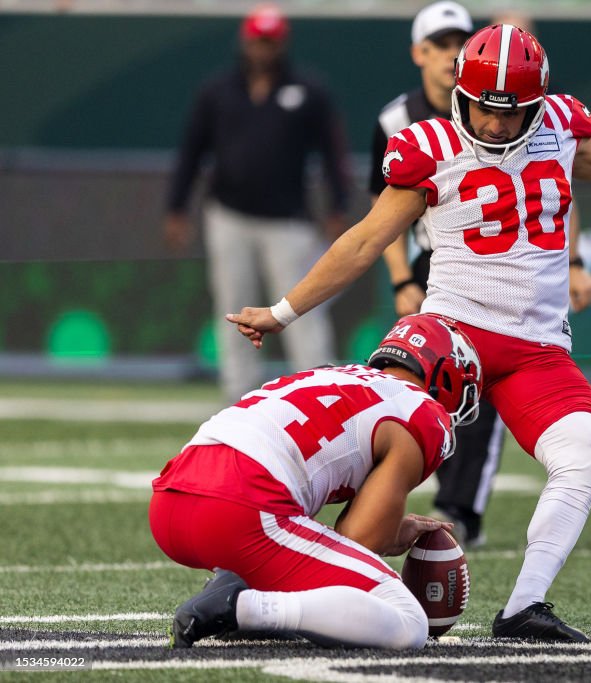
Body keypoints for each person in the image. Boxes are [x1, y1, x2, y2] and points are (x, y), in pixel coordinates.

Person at [227, 24, 591, 641]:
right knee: (370, 459)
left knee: (582, 456)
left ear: (538, 102)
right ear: (462, 93)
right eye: (486, 109)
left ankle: (525, 606)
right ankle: (260, 579)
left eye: (514, 112)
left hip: (538, 350)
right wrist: (282, 312)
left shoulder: (559, 128)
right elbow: (365, 240)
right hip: (448, 334)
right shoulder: (430, 147)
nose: (498, 125)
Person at [149, 313, 482, 650]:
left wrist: (389, 527)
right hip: (240, 508)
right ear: (444, 373)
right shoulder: (422, 413)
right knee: (409, 623)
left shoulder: (330, 372)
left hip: (170, 503)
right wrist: (385, 534)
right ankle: (243, 607)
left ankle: (250, 595)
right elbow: (360, 539)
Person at [164, 3, 351, 403]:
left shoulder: (308, 91)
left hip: (288, 220)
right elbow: (192, 151)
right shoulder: (218, 90)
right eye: (257, 41)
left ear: (281, 43)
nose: (263, 49)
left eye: (270, 41)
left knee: (302, 304)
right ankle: (238, 396)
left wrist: (338, 205)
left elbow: (332, 152)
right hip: (229, 215)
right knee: (233, 307)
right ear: (245, 41)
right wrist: (177, 207)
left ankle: (319, 392)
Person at [369, 1, 499, 549]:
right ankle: (395, 489)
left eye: (459, 43)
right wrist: (402, 280)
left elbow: (555, 172)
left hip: (496, 260)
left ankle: (461, 506)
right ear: (419, 53)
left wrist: (574, 260)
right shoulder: (395, 120)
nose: (451, 55)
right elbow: (383, 212)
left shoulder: (501, 107)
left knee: (484, 386)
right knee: (417, 380)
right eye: (441, 45)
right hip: (430, 260)